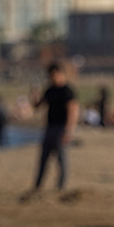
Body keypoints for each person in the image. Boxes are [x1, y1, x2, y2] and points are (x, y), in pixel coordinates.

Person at [29, 61, 78, 194]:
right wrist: (34, 93)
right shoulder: (49, 90)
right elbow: (37, 106)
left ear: (60, 74)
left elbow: (72, 112)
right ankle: (38, 186)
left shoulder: (67, 91)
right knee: (43, 158)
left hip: (61, 128)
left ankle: (60, 187)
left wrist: (68, 131)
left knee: (61, 159)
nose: (52, 78)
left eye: (54, 75)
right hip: (49, 127)